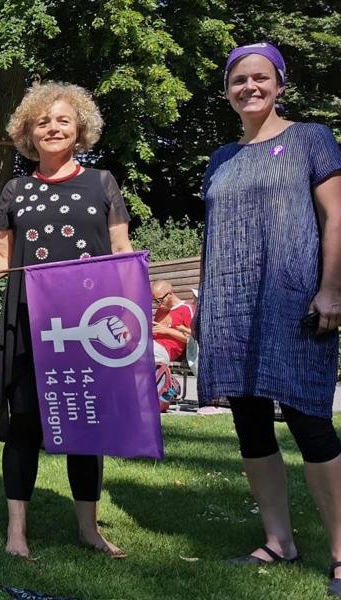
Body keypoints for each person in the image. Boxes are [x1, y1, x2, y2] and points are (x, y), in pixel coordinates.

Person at [0, 82, 133, 559]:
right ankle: (16, 533)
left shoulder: (102, 183)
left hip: (88, 325)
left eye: (62, 120)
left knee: (85, 426)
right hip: (29, 322)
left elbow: (120, 251)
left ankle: (89, 529)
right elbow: (1, 257)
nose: (52, 128)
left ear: (80, 129)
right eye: (42, 122)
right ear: (28, 132)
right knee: (24, 423)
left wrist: (142, 291)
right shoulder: (16, 189)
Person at [197, 42, 341, 595]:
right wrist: (208, 312)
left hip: (296, 302)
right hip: (233, 307)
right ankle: (279, 540)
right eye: (239, 80)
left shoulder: (312, 139)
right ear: (228, 90)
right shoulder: (221, 158)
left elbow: (336, 217)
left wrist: (331, 289)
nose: (249, 87)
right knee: (250, 423)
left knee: (309, 420)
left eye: (260, 78)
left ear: (279, 84)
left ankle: (340, 550)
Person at [151, 280, 193, 364]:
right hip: (153, 346)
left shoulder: (186, 309)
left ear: (170, 294)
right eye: (155, 301)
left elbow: (192, 339)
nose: (158, 305)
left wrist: (167, 330)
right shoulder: (160, 311)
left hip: (166, 351)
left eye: (160, 300)